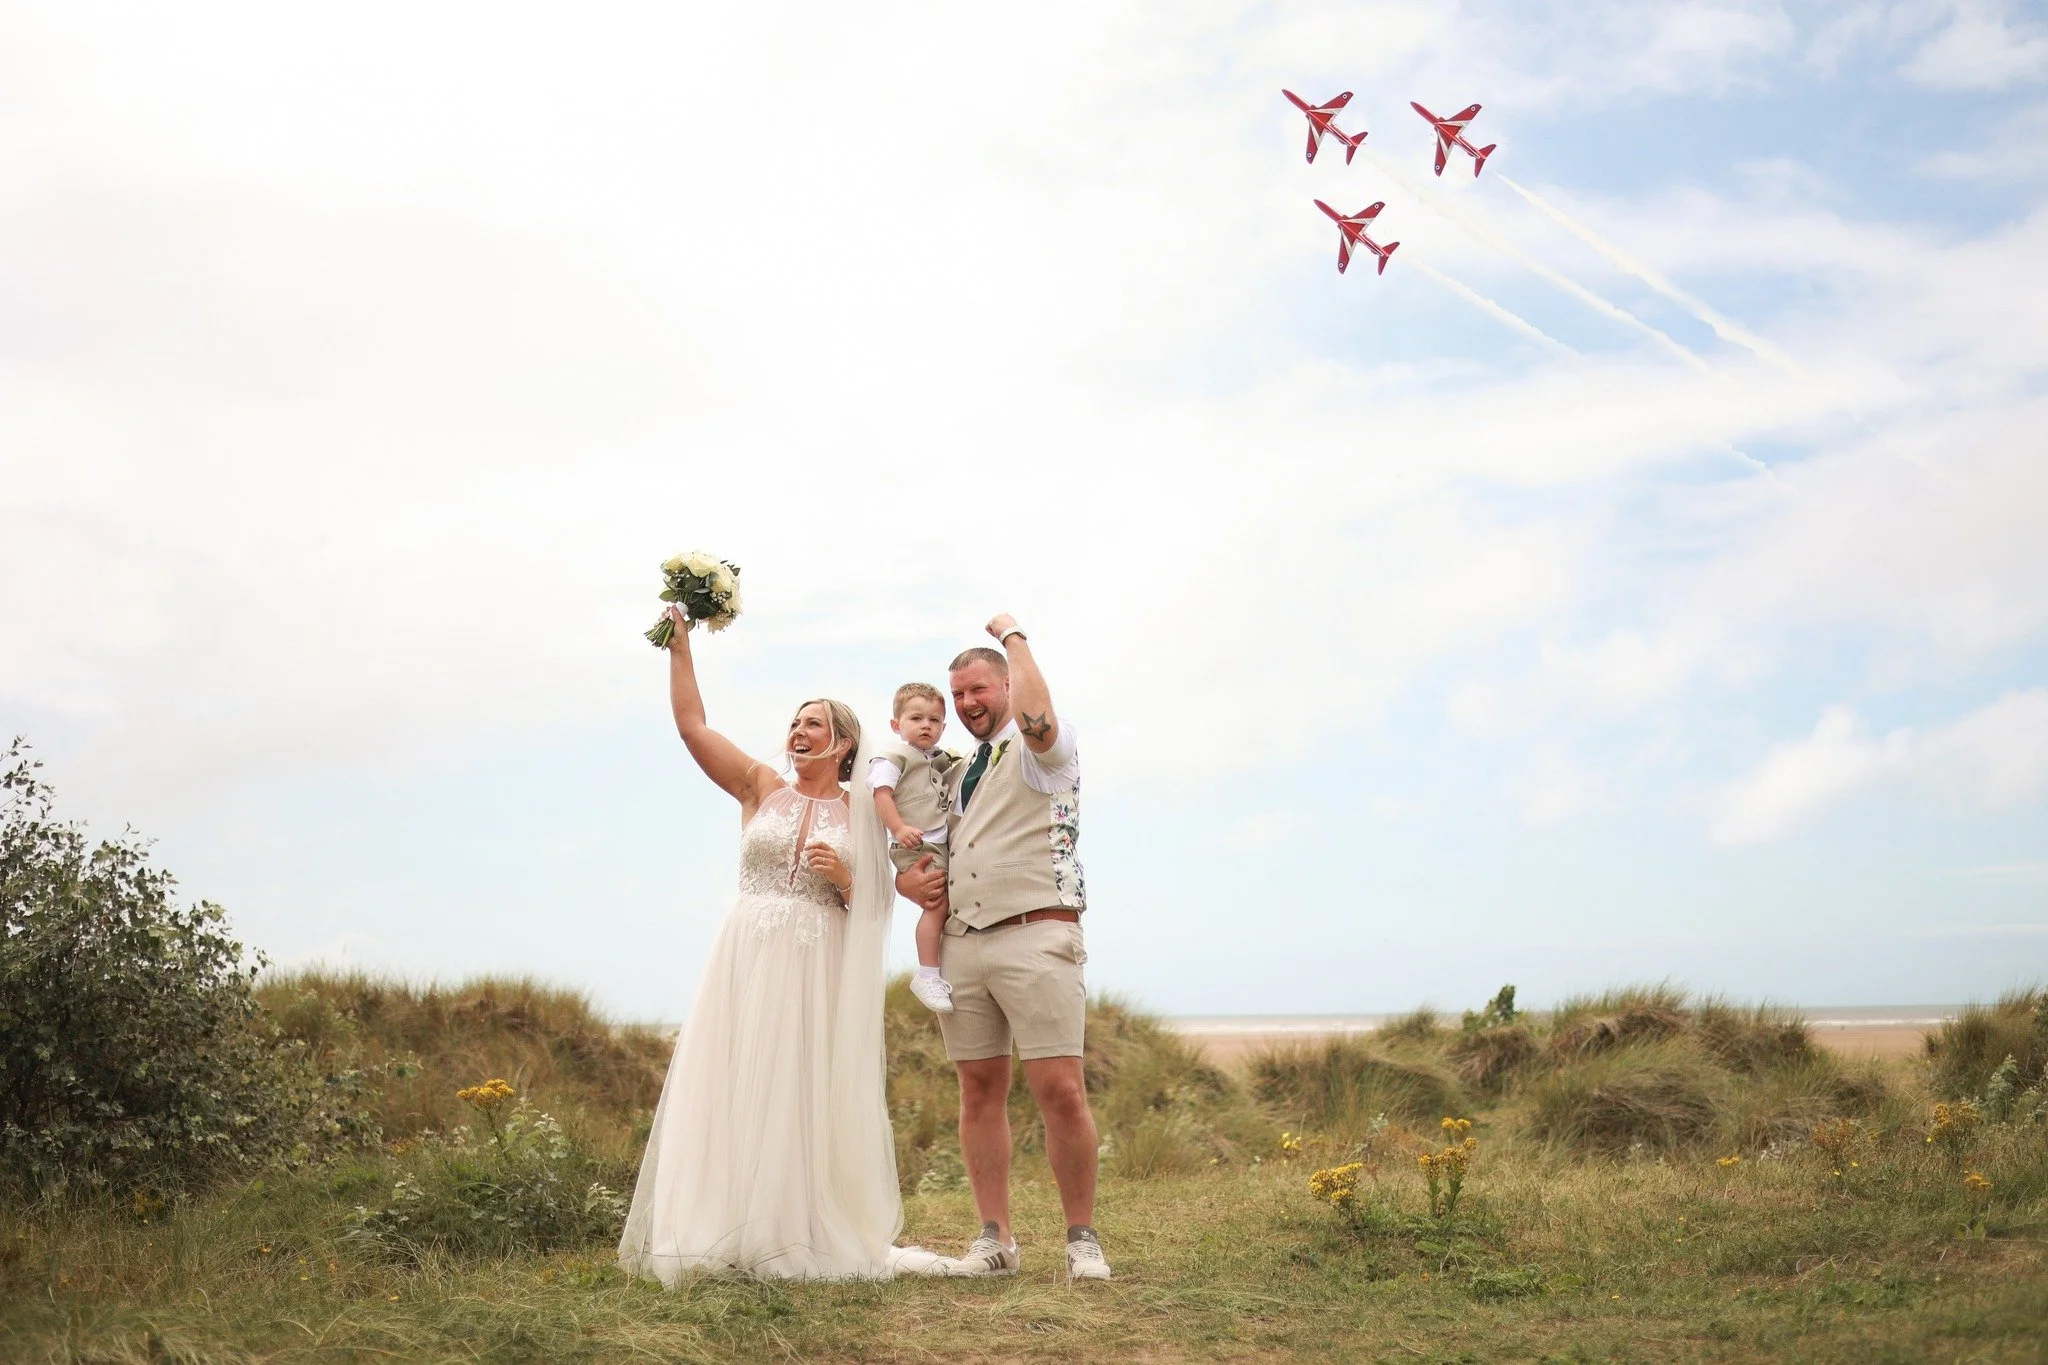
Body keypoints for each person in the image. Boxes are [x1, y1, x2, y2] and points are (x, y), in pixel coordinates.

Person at [618, 605, 930, 1281]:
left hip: (815, 965)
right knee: (733, 1079)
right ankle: (720, 1225)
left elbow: (878, 907)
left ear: (843, 743)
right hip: (748, 952)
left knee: (796, 1090)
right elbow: (693, 726)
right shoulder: (760, 786)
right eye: (795, 722)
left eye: (812, 723)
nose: (798, 731)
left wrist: (845, 877)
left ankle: (790, 1228)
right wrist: (680, 648)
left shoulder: (862, 815)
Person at [896, 613, 1110, 1283]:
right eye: (958, 694)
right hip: (963, 943)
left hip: (1038, 933)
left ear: (1008, 686)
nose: (966, 704)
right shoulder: (955, 770)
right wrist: (909, 881)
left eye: (979, 689)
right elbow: (931, 849)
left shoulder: (1046, 750)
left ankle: (1081, 1240)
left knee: (1061, 1089)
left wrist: (1014, 637)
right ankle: (995, 1240)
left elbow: (1038, 716)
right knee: (978, 1090)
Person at [868, 682, 958, 1014]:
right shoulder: (892, 757)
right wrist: (898, 828)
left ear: (943, 726)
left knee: (948, 900)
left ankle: (943, 963)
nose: (926, 726)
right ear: (897, 724)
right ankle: (928, 974)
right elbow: (881, 794)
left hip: (938, 840)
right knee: (937, 903)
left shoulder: (939, 759)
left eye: (934, 720)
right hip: (915, 842)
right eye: (916, 718)